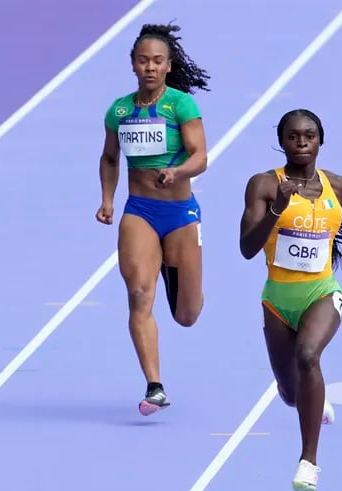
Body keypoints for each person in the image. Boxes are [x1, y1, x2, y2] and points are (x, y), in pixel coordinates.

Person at [239, 109, 342, 491]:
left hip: (321, 292)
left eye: (308, 136)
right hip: (277, 299)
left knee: (309, 355)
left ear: (320, 141)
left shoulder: (340, 187)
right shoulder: (263, 185)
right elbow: (246, 248)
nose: (301, 143)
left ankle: (308, 461)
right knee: (291, 393)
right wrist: (277, 209)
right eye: (292, 136)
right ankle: (313, 400)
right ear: (281, 142)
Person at [96, 23, 211, 416]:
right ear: (132, 65)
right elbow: (110, 158)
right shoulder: (120, 110)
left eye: (157, 61)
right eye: (142, 60)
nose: (149, 67)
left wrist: (178, 173)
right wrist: (107, 200)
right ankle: (155, 385)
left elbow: (200, 157)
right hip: (140, 211)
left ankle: (172, 266)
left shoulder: (181, 106)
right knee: (139, 294)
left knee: (186, 315)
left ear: (168, 65)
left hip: (179, 214)